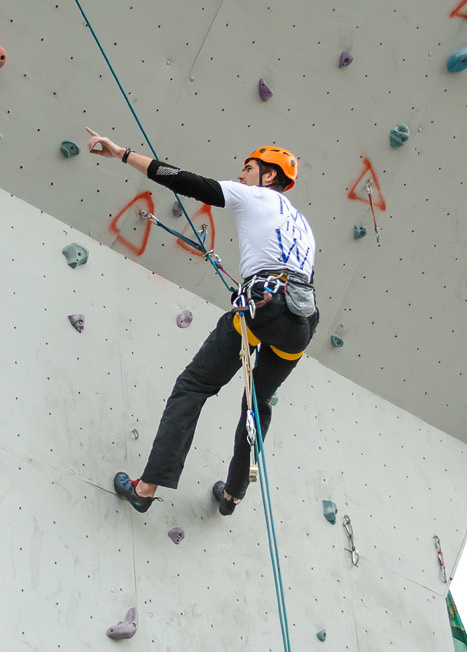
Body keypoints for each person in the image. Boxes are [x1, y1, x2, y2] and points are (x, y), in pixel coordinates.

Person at [85, 127, 320, 516]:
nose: (241, 174)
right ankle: (232, 495)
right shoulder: (304, 226)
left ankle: (146, 487)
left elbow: (186, 182)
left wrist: (123, 153)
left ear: (270, 176)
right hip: (301, 323)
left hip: (263, 308)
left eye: (249, 168)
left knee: (194, 385)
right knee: (257, 404)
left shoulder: (253, 195)